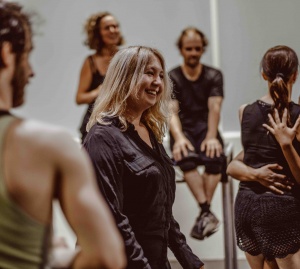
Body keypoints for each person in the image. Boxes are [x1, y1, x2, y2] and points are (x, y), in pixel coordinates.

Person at [0, 1, 126, 268]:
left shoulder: (123, 59)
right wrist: (53, 255)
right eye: (28, 55)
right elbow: (106, 257)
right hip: (95, 129)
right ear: (7, 53)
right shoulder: (48, 146)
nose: (32, 71)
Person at [83, 45, 204, 269]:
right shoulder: (101, 137)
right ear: (125, 77)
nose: (158, 82)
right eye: (149, 73)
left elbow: (162, 211)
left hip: (154, 259)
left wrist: (192, 262)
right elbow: (112, 217)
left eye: (160, 75)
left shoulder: (148, 131)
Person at [227, 45, 300, 269]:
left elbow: (244, 159)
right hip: (280, 208)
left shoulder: (244, 111)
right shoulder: (296, 116)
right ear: (295, 76)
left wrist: (256, 174)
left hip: (246, 205)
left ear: (263, 74)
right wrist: (286, 145)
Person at [168, 27, 225, 240]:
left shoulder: (213, 75)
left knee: (215, 158)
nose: (193, 53)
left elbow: (215, 108)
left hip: (205, 126)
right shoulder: (172, 76)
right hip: (183, 128)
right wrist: (179, 137)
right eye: (189, 49)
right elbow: (171, 111)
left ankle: (204, 212)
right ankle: (207, 212)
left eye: (197, 49)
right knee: (185, 157)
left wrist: (211, 136)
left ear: (203, 49)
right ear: (181, 50)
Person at [75, 11, 124, 142]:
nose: (113, 30)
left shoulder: (126, 58)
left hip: (122, 124)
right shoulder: (90, 62)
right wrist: (98, 91)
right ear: (98, 33)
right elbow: (79, 98)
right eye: (107, 27)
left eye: (115, 26)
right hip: (94, 125)